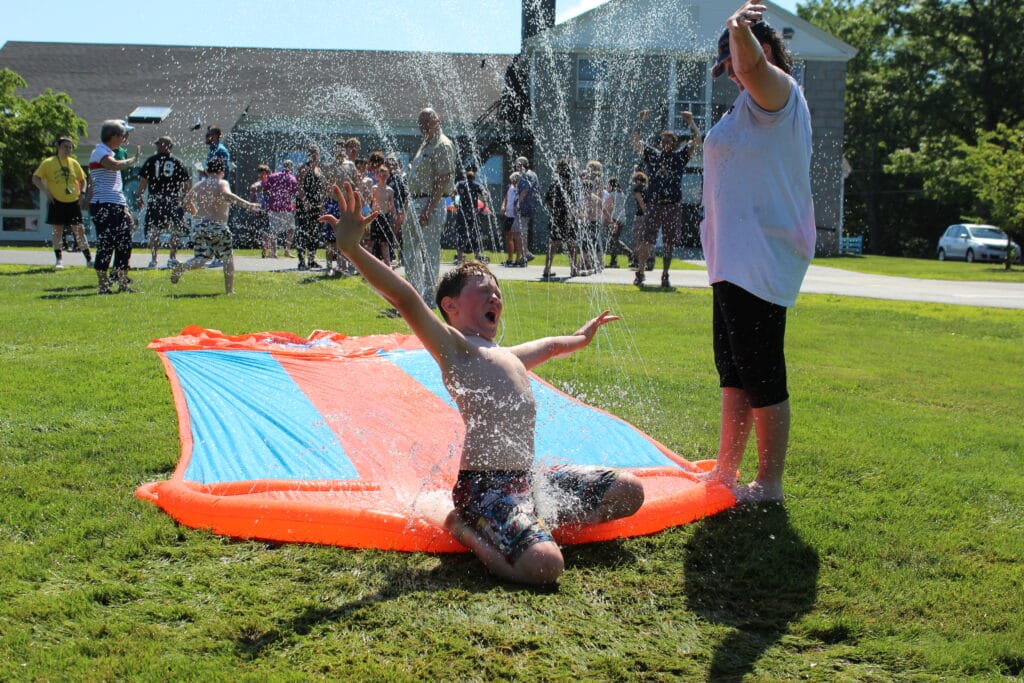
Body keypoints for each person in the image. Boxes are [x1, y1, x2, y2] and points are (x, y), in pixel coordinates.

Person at [320, 181, 644, 585]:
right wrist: (353, 248)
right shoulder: (455, 348)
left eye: (498, 292)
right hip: (486, 488)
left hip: (529, 478)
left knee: (629, 490)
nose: (495, 297)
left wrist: (583, 337)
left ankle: (532, 527)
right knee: (546, 567)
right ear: (450, 307)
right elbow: (404, 297)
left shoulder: (507, 355)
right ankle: (465, 527)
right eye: (483, 291)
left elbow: (551, 346)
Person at [697, 3, 816, 504]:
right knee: (734, 369)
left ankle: (769, 484)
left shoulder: (781, 95)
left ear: (762, 51)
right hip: (730, 258)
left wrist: (735, 28)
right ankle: (726, 472)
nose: (729, 74)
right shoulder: (745, 106)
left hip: (762, 257)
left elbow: (749, 66)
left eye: (731, 62)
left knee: (762, 368)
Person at [630, 108, 702, 288]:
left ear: (675, 143)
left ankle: (665, 274)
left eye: (669, 140)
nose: (666, 143)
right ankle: (640, 272)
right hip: (654, 204)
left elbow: (698, 140)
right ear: (660, 142)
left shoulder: (680, 157)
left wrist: (691, 123)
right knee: (648, 239)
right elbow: (635, 141)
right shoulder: (653, 155)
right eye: (663, 140)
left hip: (672, 205)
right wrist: (641, 121)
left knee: (670, 242)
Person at [170, 157, 262, 294]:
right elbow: (227, 195)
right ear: (222, 172)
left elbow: (186, 201)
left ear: (207, 171)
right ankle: (229, 291)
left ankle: (183, 267)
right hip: (217, 226)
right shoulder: (221, 182)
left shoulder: (200, 185)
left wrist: (195, 213)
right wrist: (248, 205)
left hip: (200, 227)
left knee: (201, 258)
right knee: (228, 258)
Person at [403, 107, 456, 306]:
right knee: (410, 248)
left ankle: (429, 296)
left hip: (430, 203)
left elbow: (443, 178)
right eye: (421, 123)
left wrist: (427, 209)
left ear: (437, 121)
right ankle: (413, 292)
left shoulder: (442, 145)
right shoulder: (425, 144)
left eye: (427, 121)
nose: (423, 126)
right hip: (416, 201)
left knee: (429, 250)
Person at [88, 119, 140, 294]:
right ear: (113, 136)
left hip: (117, 204)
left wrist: (125, 208)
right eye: (122, 135)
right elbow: (113, 165)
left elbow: (116, 185)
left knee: (125, 244)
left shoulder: (110, 151)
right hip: (103, 205)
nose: (124, 138)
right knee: (106, 244)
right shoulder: (99, 151)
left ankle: (123, 284)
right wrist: (133, 160)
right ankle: (103, 286)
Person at [32, 136, 91, 269]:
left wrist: (82, 193)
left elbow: (83, 180)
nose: (68, 149)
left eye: (70, 147)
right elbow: (36, 178)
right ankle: (59, 260)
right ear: (58, 147)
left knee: (79, 229)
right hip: (56, 201)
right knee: (57, 230)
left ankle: (88, 259)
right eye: (65, 146)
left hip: (73, 201)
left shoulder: (74, 163)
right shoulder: (48, 162)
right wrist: (46, 192)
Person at [136, 135, 191, 269]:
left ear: (167, 146)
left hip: (156, 198)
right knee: (174, 229)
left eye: (160, 144)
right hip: (172, 198)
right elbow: (186, 184)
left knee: (156, 229)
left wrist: (139, 196)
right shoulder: (177, 162)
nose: (157, 146)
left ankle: (156, 259)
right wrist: (185, 197)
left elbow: (144, 181)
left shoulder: (151, 161)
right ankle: (169, 258)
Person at [541, 158, 580, 281]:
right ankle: (573, 269)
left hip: (556, 216)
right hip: (569, 217)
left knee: (553, 243)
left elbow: (546, 201)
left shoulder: (555, 184)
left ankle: (547, 269)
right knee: (571, 243)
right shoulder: (571, 184)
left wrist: (555, 208)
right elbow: (573, 203)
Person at [295, 143, 328, 270]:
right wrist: (305, 202)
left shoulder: (319, 170)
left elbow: (322, 188)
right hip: (304, 204)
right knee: (303, 231)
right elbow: (299, 187)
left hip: (316, 204)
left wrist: (322, 203)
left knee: (315, 231)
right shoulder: (303, 167)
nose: (314, 155)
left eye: (316, 152)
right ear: (308, 154)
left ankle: (311, 260)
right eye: (312, 152)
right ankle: (301, 261)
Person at [260, 160, 298, 259]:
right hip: (286, 208)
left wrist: (264, 179)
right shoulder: (293, 179)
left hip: (274, 207)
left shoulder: (273, 176)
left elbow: (265, 187)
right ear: (291, 167)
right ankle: (287, 250)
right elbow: (295, 194)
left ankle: (274, 252)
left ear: (283, 166)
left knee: (274, 231)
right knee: (291, 229)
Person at [453, 170, 489, 265]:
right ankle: (477, 257)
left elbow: (454, 192)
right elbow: (485, 194)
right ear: (474, 177)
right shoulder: (476, 185)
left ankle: (459, 257)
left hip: (462, 213)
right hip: (473, 213)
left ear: (466, 177)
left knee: (461, 234)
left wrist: (456, 203)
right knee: (474, 234)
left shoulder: (460, 184)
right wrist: (484, 205)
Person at [513, 156, 539, 264]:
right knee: (519, 230)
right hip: (529, 206)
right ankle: (523, 256)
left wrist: (518, 204)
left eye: (517, 165)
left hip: (525, 206)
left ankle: (526, 253)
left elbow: (525, 190)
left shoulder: (526, 175)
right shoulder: (532, 174)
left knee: (519, 230)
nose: (517, 168)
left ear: (521, 165)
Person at [604, 178, 631, 268]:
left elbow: (609, 207)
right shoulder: (621, 193)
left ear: (611, 185)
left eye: (608, 185)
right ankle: (613, 262)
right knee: (613, 241)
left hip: (615, 219)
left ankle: (630, 254)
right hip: (622, 219)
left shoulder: (611, 194)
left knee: (614, 241)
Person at [500, 171, 520, 266]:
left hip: (516, 216)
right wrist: (503, 206)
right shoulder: (510, 188)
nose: (512, 181)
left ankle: (518, 259)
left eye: (514, 180)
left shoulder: (520, 189)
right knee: (508, 237)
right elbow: (506, 198)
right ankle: (510, 259)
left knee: (516, 237)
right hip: (508, 215)